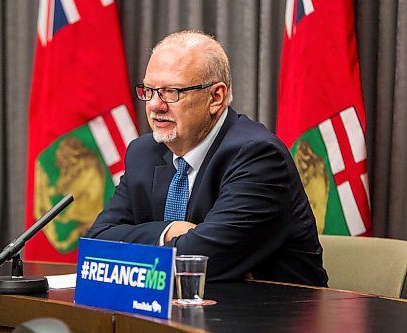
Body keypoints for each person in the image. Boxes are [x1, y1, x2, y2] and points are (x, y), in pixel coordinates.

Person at [85, 30, 328, 287]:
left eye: (171, 92)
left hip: (273, 317)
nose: (155, 105)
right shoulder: (144, 153)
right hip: (182, 314)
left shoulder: (258, 156)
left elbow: (200, 262)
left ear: (216, 97)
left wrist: (138, 249)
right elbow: (96, 245)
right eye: (149, 90)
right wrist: (170, 232)